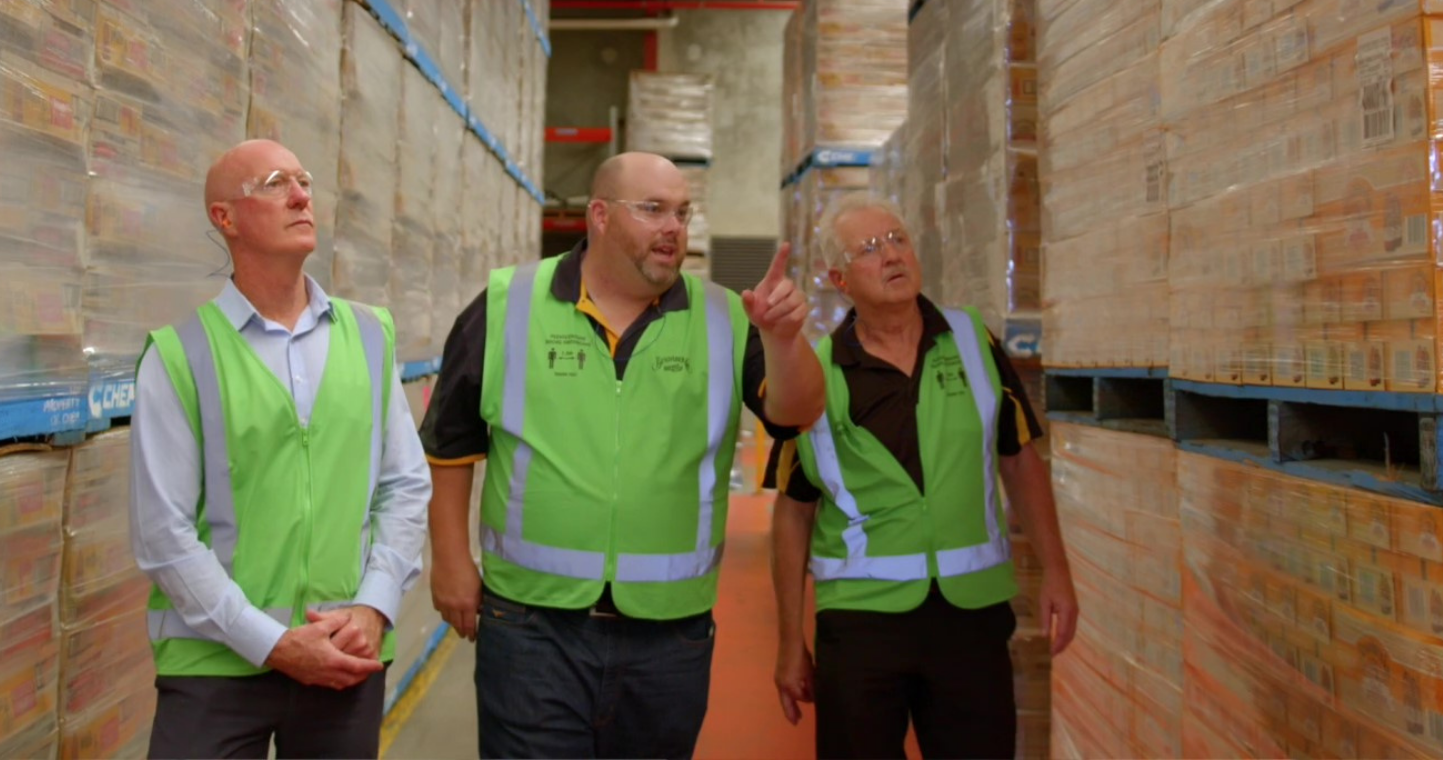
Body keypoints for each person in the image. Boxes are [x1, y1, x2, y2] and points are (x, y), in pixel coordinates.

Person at [420, 151, 826, 759]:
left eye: (684, 213)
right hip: (532, 626)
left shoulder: (724, 318)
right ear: (601, 217)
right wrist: (451, 561)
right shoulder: (510, 304)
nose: (674, 228)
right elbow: (450, 445)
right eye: (654, 209)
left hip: (671, 632)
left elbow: (797, 413)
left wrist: (785, 341)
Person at [130, 139, 432, 760]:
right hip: (213, 664)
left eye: (304, 181)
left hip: (344, 649)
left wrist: (374, 608)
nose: (300, 195)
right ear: (225, 218)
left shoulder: (370, 335)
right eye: (273, 183)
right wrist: (269, 642)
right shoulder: (179, 354)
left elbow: (404, 485)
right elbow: (163, 533)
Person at [769, 194, 1078, 760]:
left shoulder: (971, 340)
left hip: (970, 617)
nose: (890, 256)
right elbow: (793, 508)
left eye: (897, 240)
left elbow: (1019, 457)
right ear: (839, 279)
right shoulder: (816, 372)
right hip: (861, 623)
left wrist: (1056, 570)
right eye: (868, 249)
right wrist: (792, 641)